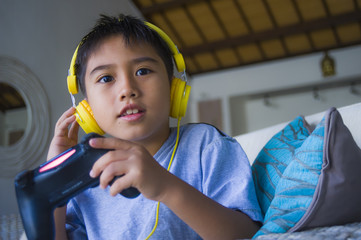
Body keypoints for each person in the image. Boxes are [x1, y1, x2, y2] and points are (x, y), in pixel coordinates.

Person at [49, 14, 262, 240]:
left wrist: (165, 187)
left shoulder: (206, 145)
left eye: (143, 71)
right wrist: (55, 180)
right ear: (87, 108)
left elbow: (246, 234)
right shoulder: (87, 177)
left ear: (173, 88)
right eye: (106, 78)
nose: (127, 89)